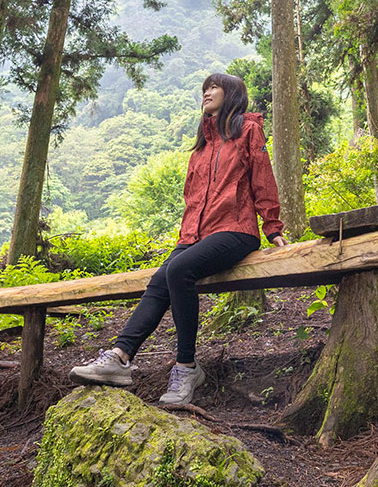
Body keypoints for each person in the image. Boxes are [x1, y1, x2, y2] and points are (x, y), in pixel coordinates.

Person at [71, 72, 286, 406]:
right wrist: (187, 238)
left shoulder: (247, 130)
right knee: (160, 279)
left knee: (177, 270)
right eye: (204, 88)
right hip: (198, 235)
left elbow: (262, 179)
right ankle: (120, 357)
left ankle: (186, 367)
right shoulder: (202, 144)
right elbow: (194, 199)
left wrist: (272, 227)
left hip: (236, 230)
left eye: (213, 87)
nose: (206, 93)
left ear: (231, 93)